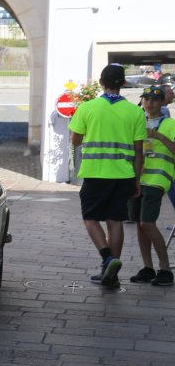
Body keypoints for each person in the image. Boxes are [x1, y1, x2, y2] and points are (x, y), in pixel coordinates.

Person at [69, 63, 145, 289]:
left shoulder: (87, 108)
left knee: (90, 218)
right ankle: (111, 275)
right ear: (123, 83)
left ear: (101, 82)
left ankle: (107, 257)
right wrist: (137, 180)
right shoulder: (135, 112)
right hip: (124, 175)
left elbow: (75, 140)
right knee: (115, 220)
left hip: (95, 173)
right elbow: (139, 151)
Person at [130, 86, 175, 286]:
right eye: (146, 99)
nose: (149, 103)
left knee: (147, 223)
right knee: (140, 225)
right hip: (138, 179)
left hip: (158, 179)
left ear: (162, 102)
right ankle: (147, 268)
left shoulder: (171, 124)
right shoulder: (138, 122)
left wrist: (159, 137)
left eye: (154, 100)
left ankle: (165, 270)